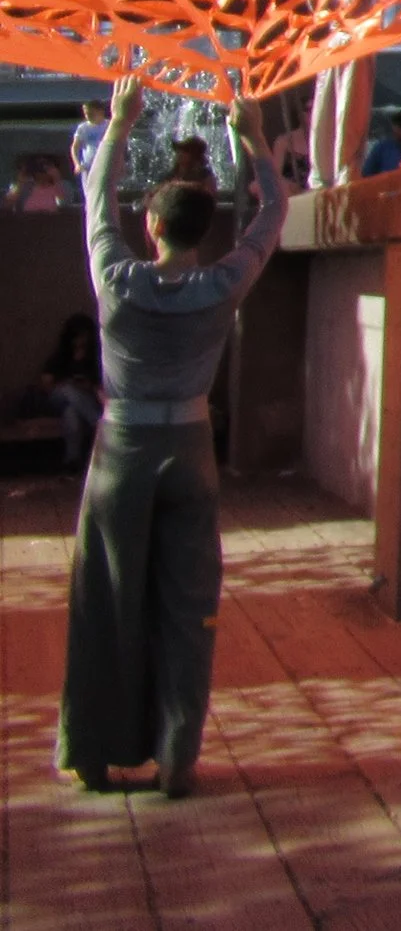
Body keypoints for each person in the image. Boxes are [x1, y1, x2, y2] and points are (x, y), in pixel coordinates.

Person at [59, 76, 283, 797]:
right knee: (190, 603)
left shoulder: (118, 282)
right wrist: (250, 137)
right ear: (200, 228)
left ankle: (94, 752)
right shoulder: (223, 285)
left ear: (152, 226)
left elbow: (96, 200)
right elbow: (275, 209)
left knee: (108, 595)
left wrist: (120, 125)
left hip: (122, 447)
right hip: (191, 445)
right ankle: (177, 757)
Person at [26, 312, 102, 470]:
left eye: (85, 336)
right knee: (68, 390)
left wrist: (87, 385)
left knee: (71, 413)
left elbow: (98, 386)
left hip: (83, 400)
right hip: (57, 398)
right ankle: (98, 423)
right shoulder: (61, 356)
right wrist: (66, 383)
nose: (81, 340)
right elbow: (46, 384)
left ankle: (71, 460)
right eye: (78, 336)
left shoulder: (94, 358)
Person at [70, 100, 108, 189]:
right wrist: (77, 163)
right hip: (88, 165)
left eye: (91, 113)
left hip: (106, 164)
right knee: (89, 193)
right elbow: (75, 147)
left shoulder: (109, 125)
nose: (87, 116)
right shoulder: (83, 128)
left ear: (100, 111)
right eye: (86, 113)